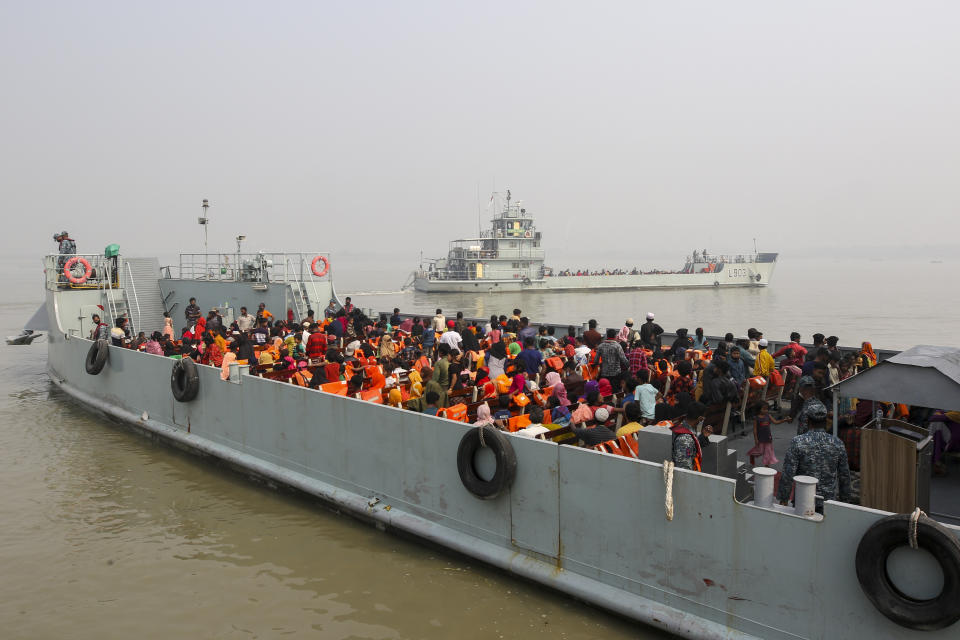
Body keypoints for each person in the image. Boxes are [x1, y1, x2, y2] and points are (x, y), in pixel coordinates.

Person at [777, 404, 852, 506]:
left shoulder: (798, 441)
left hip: (803, 501)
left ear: (807, 420)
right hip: (828, 503)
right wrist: (845, 501)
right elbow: (844, 475)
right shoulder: (837, 443)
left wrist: (784, 498)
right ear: (826, 420)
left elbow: (788, 473)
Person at [671, 402, 712, 471]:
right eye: (703, 418)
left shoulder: (683, 426)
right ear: (700, 419)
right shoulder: (685, 440)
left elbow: (692, 448)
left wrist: (703, 436)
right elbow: (684, 470)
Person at [747, 401, 786, 467]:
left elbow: (775, 422)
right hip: (760, 438)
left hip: (768, 437)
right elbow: (755, 430)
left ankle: (767, 465)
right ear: (759, 409)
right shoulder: (756, 418)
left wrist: (784, 420)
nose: (766, 410)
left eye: (767, 409)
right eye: (764, 409)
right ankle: (752, 455)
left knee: (768, 452)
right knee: (760, 451)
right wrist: (756, 439)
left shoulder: (768, 416)